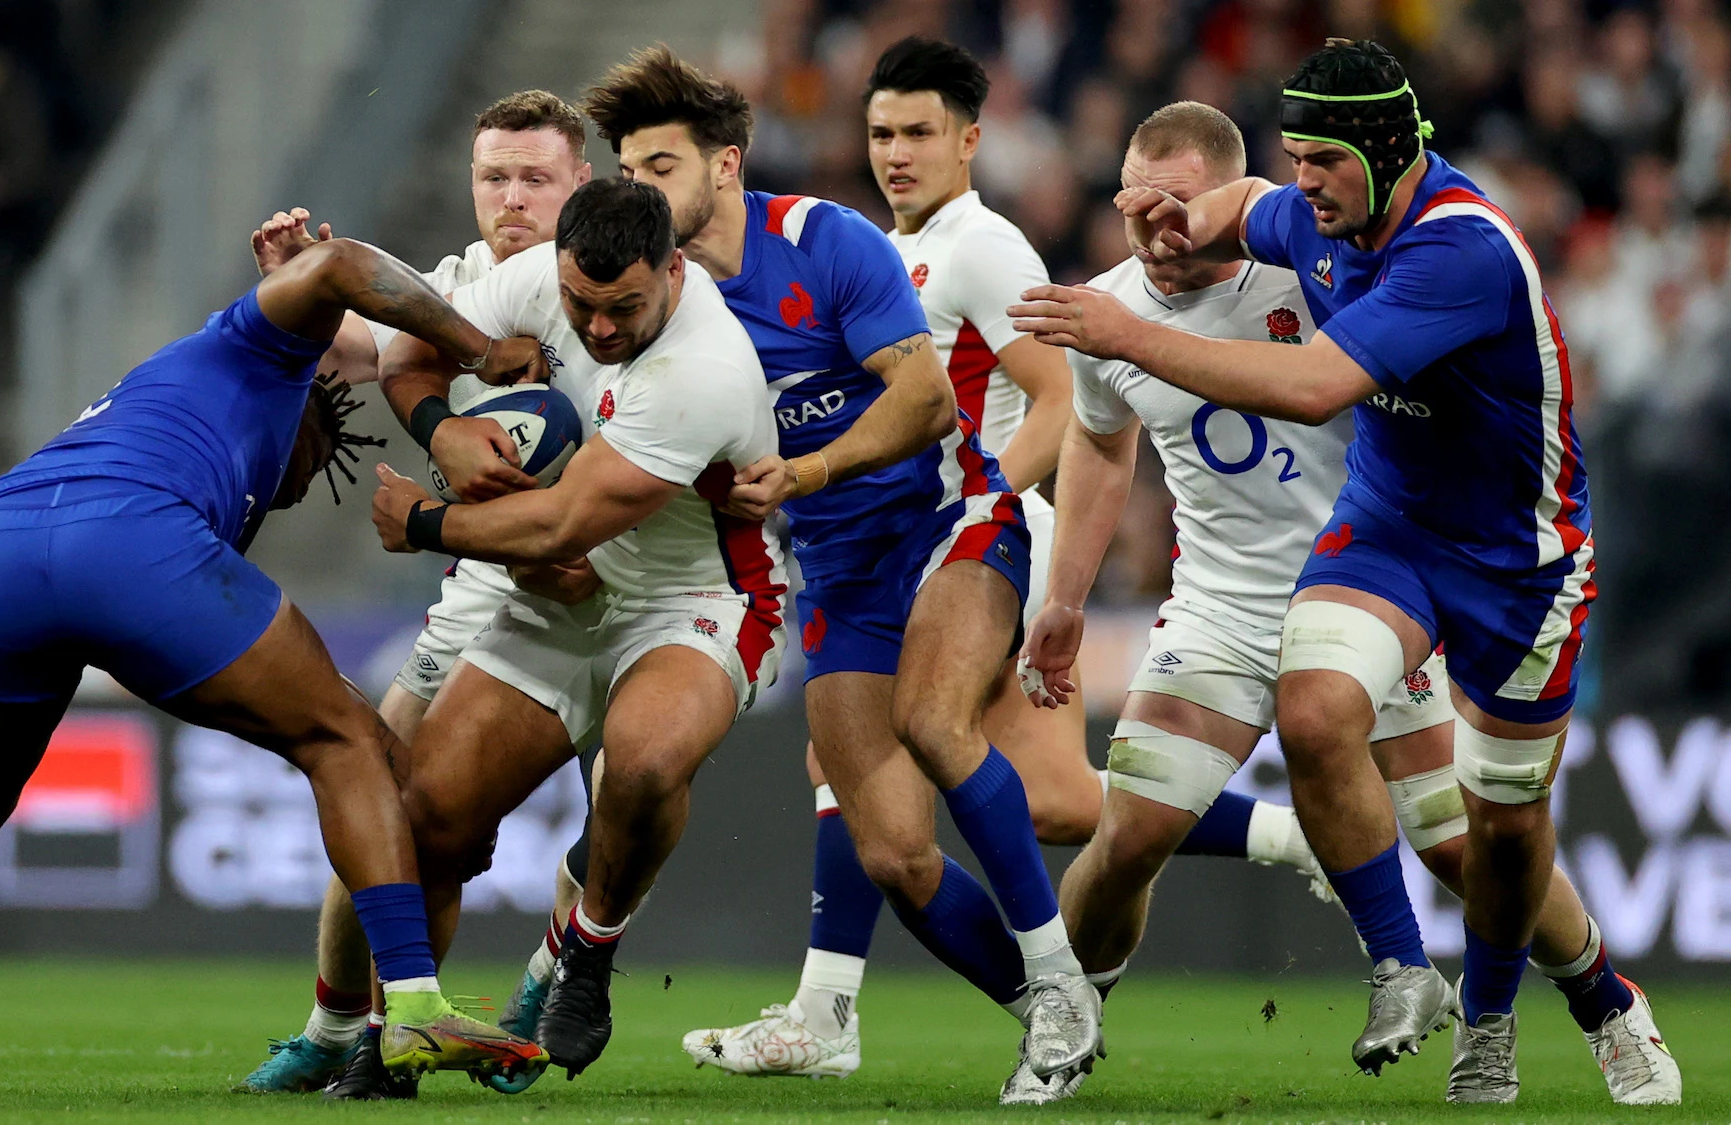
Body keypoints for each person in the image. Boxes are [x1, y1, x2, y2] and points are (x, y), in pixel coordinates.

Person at [1010, 41, 1680, 1106]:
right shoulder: (1273, 226)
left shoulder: (1442, 250)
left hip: (1513, 555)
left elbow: (1317, 385)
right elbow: (1104, 433)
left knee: (1485, 841)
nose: (1301, 184)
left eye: (1317, 161)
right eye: (1135, 209)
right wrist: (1066, 599)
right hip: (1343, 556)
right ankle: (1087, 1021)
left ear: (1373, 155)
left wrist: (1131, 334)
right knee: (1162, 806)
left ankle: (1599, 1003)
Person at [682, 40, 1324, 1090]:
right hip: (906, 544)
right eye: (881, 132)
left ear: (970, 140)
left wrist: (983, 497)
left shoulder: (979, 248)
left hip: (971, 544)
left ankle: (856, 1006)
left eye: (919, 133)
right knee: (1046, 801)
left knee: (910, 769)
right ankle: (1286, 843)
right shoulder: (880, 249)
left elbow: (1066, 397)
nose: (895, 153)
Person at [0, 225, 549, 1099]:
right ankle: (411, 999)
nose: (301, 484)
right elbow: (338, 267)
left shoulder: (190, 432)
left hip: (4, 533)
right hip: (129, 535)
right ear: (316, 415)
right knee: (343, 740)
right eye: (315, 465)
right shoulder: (270, 348)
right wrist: (481, 351)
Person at [566, 46, 1102, 1089]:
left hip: (950, 523)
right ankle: (1041, 1009)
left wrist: (806, 470)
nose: (639, 190)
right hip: (835, 574)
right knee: (892, 852)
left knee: (937, 726)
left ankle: (1061, 983)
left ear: (723, 166)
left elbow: (927, 403)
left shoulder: (824, 242)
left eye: (659, 167)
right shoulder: (651, 311)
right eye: (626, 171)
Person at [370, 177, 786, 1082]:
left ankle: (586, 951)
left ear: (673, 272)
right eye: (579, 305)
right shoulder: (532, 278)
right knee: (428, 816)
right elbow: (406, 352)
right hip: (559, 597)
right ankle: (391, 1037)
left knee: (640, 762)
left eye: (623, 308)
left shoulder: (704, 365)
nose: (596, 329)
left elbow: (563, 527)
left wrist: (426, 524)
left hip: (698, 598)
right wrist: (441, 431)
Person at [235, 88, 594, 1099]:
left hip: (634, 597)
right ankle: (337, 1025)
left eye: (535, 178)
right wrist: (299, 287)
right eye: (493, 178)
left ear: (582, 184)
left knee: (624, 828)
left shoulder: (623, 285)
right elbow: (353, 347)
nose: (511, 198)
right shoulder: (454, 290)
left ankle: (546, 985)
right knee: (381, 802)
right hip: (491, 597)